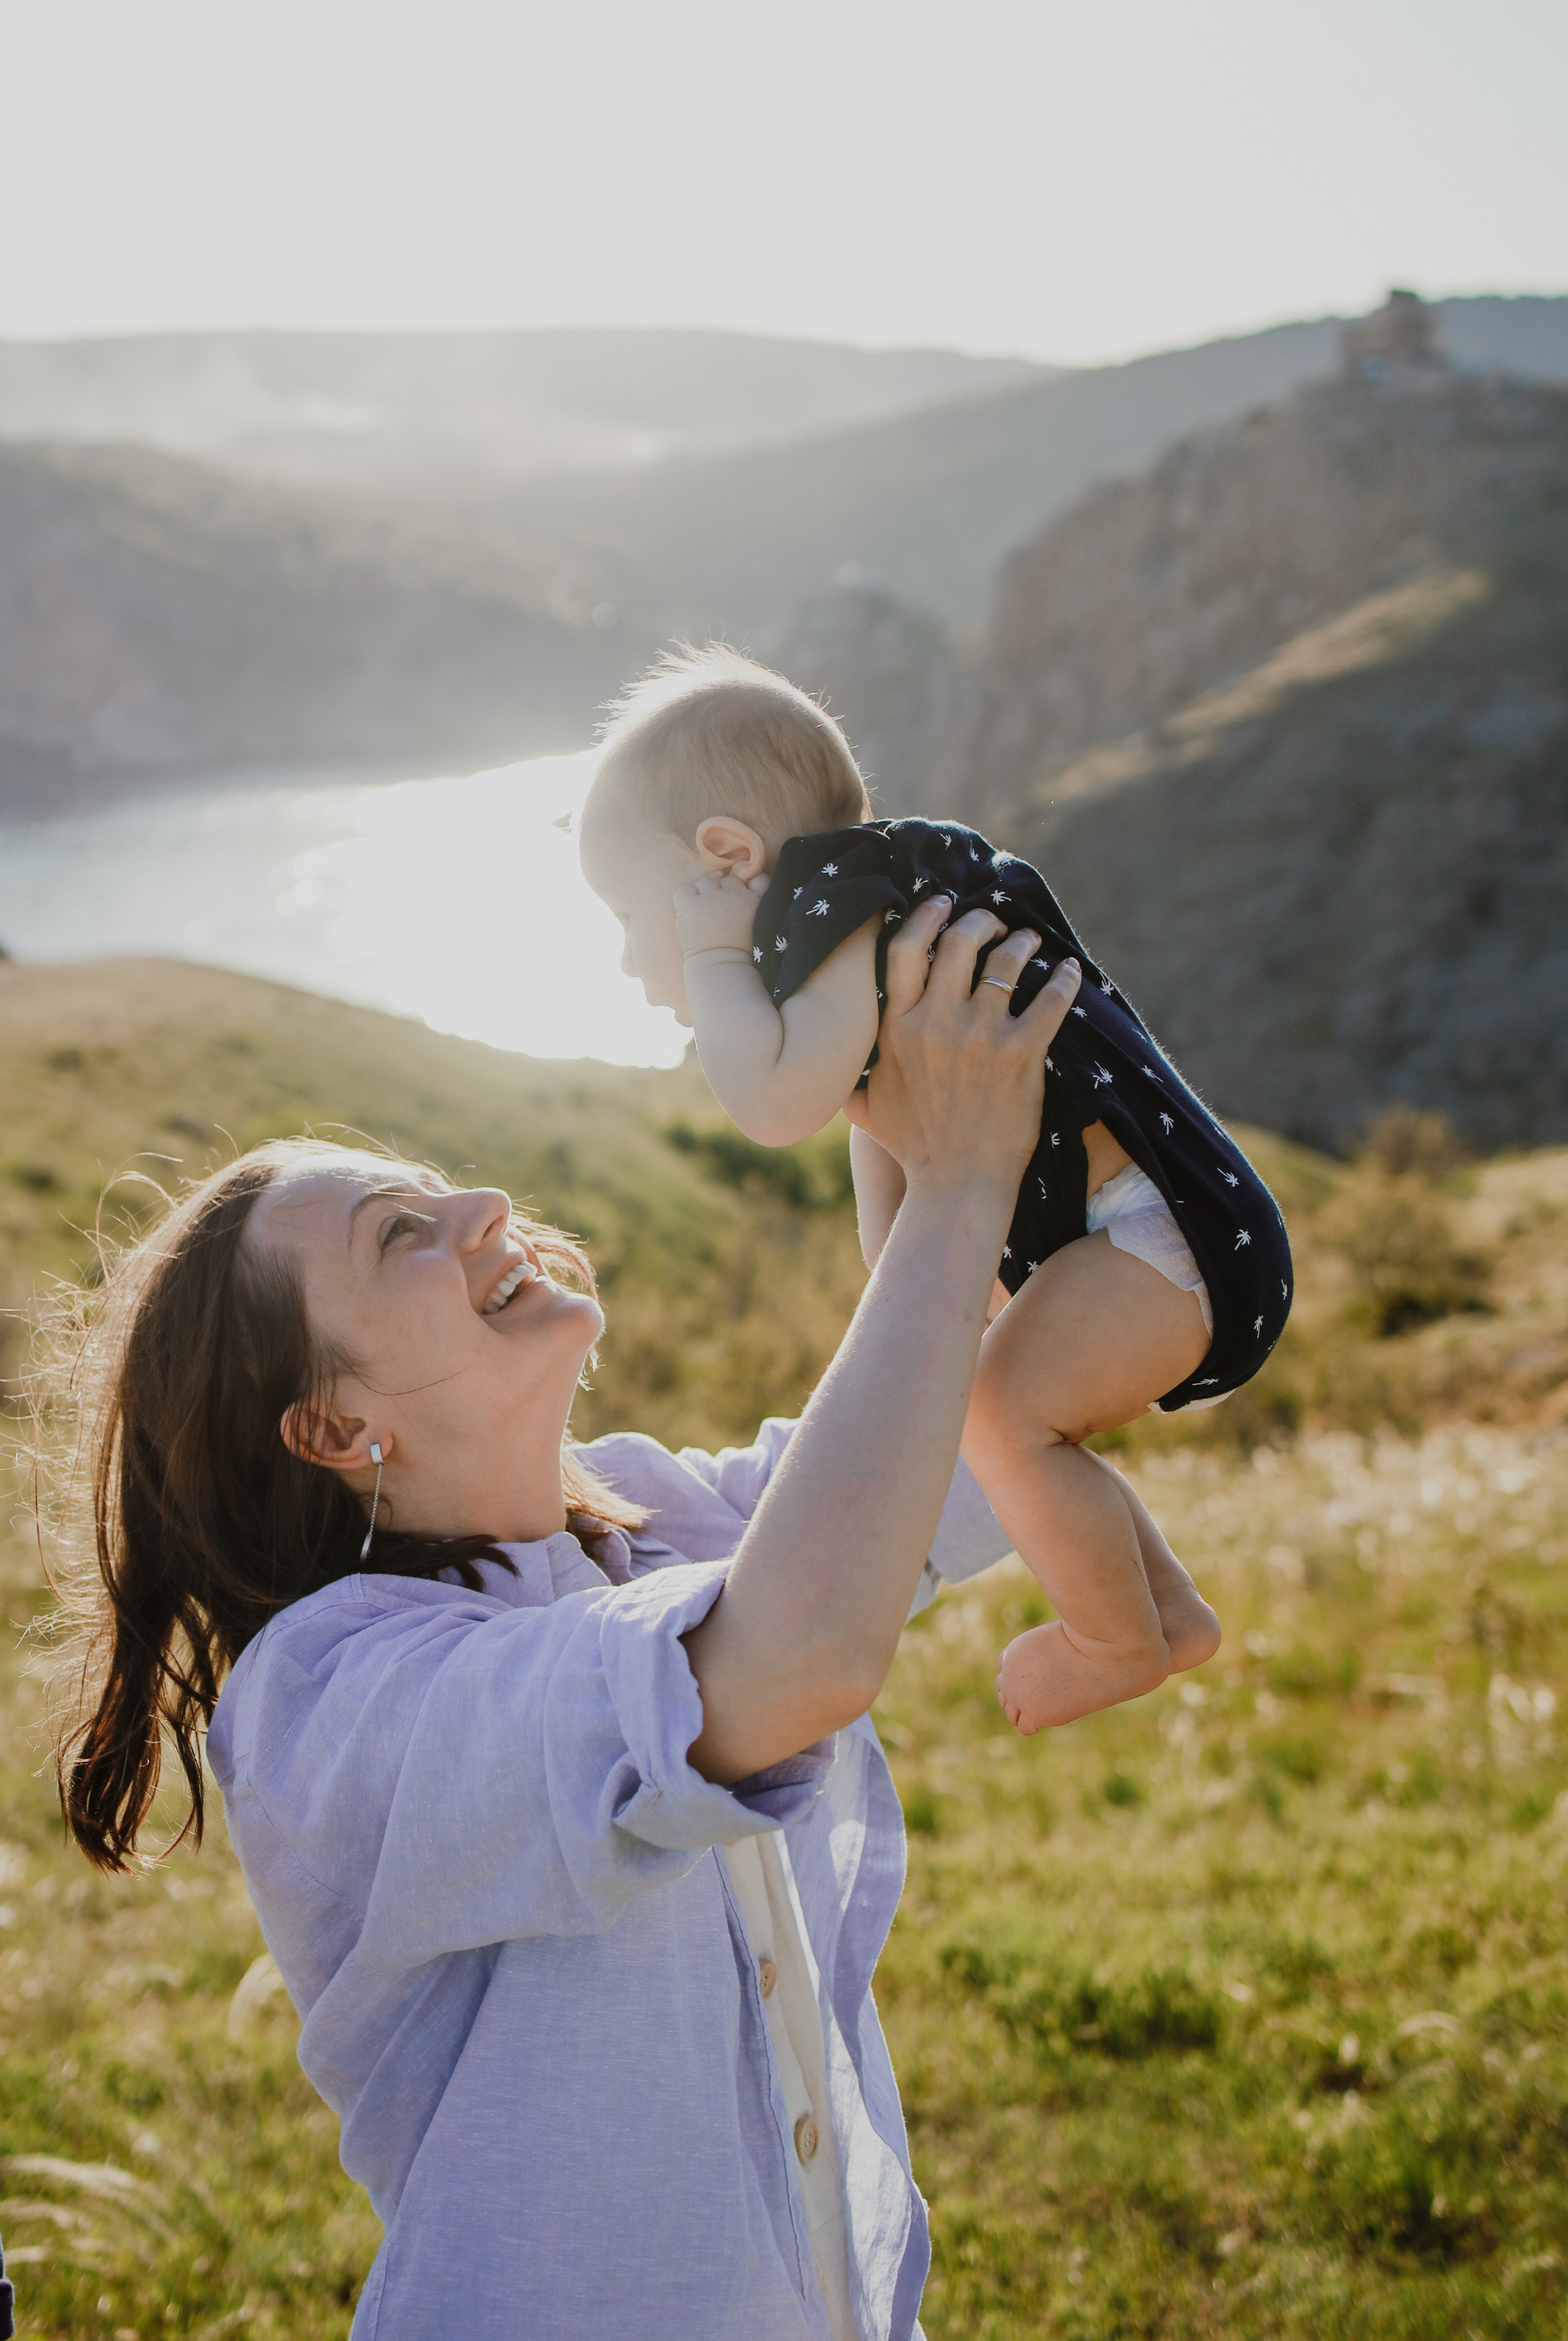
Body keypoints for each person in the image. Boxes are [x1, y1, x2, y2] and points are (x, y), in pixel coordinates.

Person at [52, 895, 1082, 2341]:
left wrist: (896, 1099)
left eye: (440, 1187)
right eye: (400, 1232)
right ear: (331, 1424)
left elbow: (954, 1434)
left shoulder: (639, 1523)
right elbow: (800, 1651)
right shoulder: (330, 1704)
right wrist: (961, 1187)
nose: (483, 1209)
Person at [581, 645, 1292, 1734]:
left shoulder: (829, 922)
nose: (635, 967)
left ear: (726, 861)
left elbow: (773, 1108)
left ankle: (1113, 1637)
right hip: (1166, 1233)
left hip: (1170, 1238)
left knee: (1004, 1417)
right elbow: (896, 1201)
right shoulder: (868, 931)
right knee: (1004, 1408)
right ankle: (1166, 1610)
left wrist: (718, 959)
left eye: (635, 922)